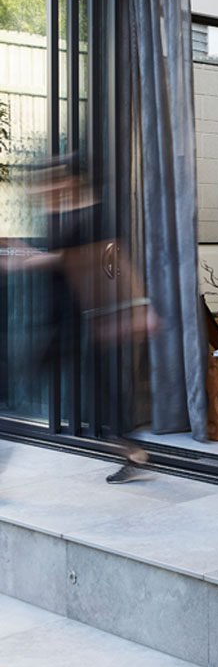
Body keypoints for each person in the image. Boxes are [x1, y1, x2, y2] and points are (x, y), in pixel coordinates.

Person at [4, 154, 159, 483]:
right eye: (48, 179)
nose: (51, 184)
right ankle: (133, 451)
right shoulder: (57, 214)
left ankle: (132, 450)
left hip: (82, 320)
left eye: (58, 178)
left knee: (89, 388)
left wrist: (142, 307)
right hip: (62, 319)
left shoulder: (92, 213)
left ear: (74, 179)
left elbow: (107, 258)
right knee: (101, 389)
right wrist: (20, 253)